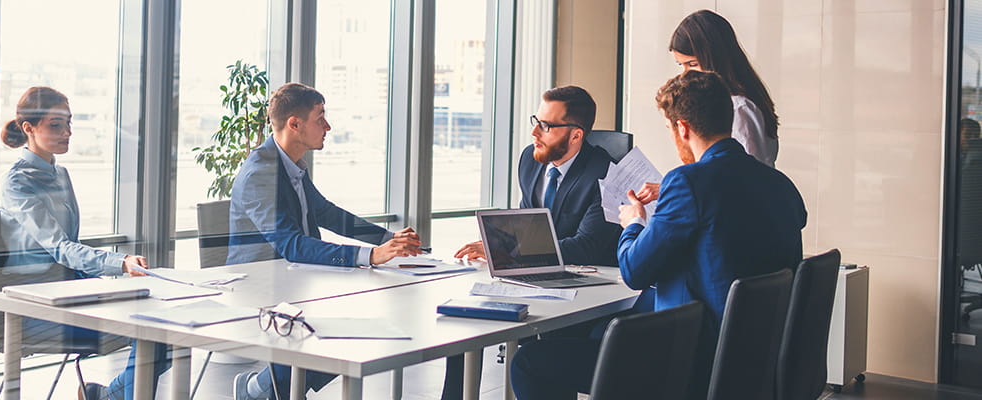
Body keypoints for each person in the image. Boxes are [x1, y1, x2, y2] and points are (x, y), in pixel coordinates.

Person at [509, 70, 806, 400]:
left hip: (687, 358)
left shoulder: (687, 182)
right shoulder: (782, 186)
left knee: (528, 361)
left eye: (669, 129)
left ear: (682, 128)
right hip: (754, 359)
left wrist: (634, 223)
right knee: (597, 334)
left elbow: (635, 271)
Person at [228, 82, 423, 399]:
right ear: (295, 124)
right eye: (320, 118)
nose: (328, 126)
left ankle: (260, 389)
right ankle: (260, 390)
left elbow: (327, 214)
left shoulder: (292, 165)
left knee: (350, 328)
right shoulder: (260, 173)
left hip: (293, 279)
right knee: (339, 330)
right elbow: (292, 245)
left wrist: (390, 239)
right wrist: (372, 255)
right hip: (258, 286)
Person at [443, 86, 624, 400]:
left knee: (539, 356)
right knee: (465, 318)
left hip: (588, 289)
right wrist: (498, 244)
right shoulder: (531, 160)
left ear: (576, 135)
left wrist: (509, 251)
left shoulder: (606, 175)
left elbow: (585, 246)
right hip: (533, 276)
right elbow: (528, 223)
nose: (534, 132)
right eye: (536, 121)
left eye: (546, 126)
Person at [0, 86, 163, 400]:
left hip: (72, 289)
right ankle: (109, 396)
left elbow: (71, 245)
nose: (68, 132)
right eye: (56, 125)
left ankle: (109, 395)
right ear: (29, 129)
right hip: (38, 303)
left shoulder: (61, 174)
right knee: (152, 332)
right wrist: (120, 263)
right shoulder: (17, 181)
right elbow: (60, 247)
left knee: (163, 327)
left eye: (69, 123)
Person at [670, 9, 780, 167]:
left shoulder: (740, 109)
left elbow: (744, 178)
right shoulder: (728, 103)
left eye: (692, 64)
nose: (685, 75)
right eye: (682, 65)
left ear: (715, 59)